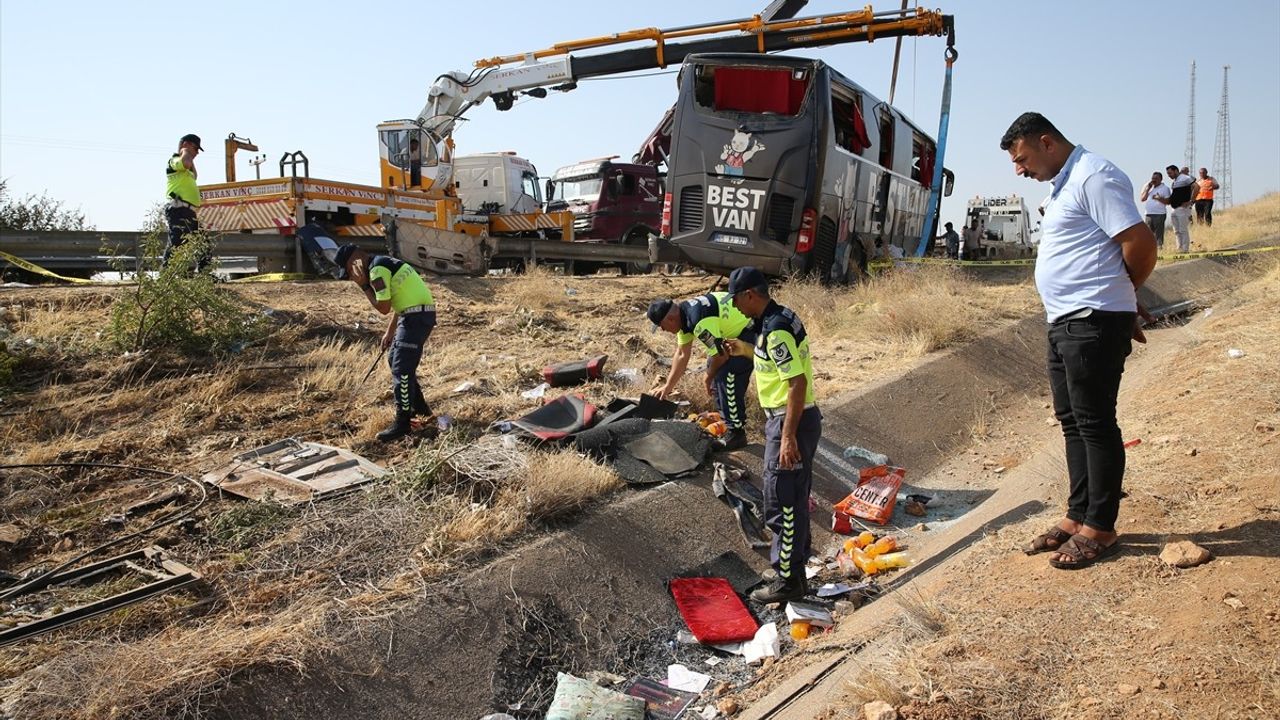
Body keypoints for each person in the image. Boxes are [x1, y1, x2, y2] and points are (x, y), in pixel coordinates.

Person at [1000, 112, 1156, 570]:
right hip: (1067, 321)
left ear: (1047, 143)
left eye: (1022, 158)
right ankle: (1077, 516)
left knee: (1095, 422)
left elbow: (1140, 242)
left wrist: (1121, 297)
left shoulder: (1094, 175)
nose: (1019, 170)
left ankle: (1101, 528)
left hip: (1091, 320)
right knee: (1072, 421)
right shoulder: (1063, 185)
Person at [722, 266, 823, 603]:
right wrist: (743, 350)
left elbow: (797, 382)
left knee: (782, 502)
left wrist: (789, 437)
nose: (734, 307)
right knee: (794, 496)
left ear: (750, 294)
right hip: (792, 420)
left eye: (736, 299)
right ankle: (791, 569)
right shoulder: (776, 319)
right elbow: (776, 363)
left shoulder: (776, 329)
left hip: (789, 422)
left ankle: (788, 580)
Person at [333, 243, 437, 442]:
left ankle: (403, 421)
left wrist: (364, 286)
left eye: (349, 271)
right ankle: (421, 409)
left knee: (402, 368)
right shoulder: (382, 262)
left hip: (415, 317)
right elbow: (401, 300)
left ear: (355, 261)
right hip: (414, 314)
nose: (352, 275)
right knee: (394, 359)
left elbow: (383, 307)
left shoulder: (377, 270)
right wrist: (390, 332)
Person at [648, 292, 755, 451]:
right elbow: (682, 354)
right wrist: (667, 387)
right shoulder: (684, 316)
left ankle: (736, 433)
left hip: (752, 330)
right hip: (736, 333)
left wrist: (707, 376)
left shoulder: (698, 320)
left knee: (725, 375)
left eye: (662, 326)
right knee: (714, 366)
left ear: (670, 319)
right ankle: (727, 422)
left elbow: (720, 356)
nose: (663, 330)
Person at [163, 133, 207, 270]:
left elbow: (195, 174)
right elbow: (187, 162)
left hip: (188, 211)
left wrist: (189, 152)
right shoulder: (174, 161)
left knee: (202, 242)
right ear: (186, 145)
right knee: (177, 242)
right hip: (178, 210)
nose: (197, 153)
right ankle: (166, 275)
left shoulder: (185, 169)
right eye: (195, 149)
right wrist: (185, 150)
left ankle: (205, 273)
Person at [1166, 164, 1195, 252]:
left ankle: (1185, 249)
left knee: (1183, 229)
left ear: (1175, 171)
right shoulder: (1175, 182)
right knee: (1176, 231)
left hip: (1183, 209)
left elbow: (1196, 187)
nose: (1169, 175)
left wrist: (1191, 201)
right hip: (1174, 208)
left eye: (1170, 173)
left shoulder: (1185, 178)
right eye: (1168, 174)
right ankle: (1179, 249)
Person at [1138, 171, 1171, 249]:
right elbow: (1142, 199)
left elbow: (1168, 202)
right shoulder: (1148, 187)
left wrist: (1159, 198)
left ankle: (1159, 247)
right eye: (1152, 178)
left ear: (1161, 179)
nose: (1154, 180)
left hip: (1159, 214)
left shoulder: (1165, 188)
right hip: (1148, 214)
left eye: (1156, 178)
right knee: (1149, 233)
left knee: (1158, 233)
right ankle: (1150, 248)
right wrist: (1147, 189)